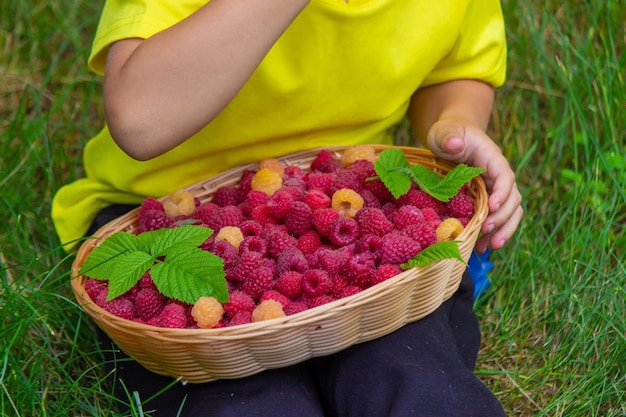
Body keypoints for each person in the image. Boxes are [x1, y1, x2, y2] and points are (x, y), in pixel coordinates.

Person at [53, 0, 523, 415]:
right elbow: (139, 120)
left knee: (413, 375)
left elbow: (455, 67)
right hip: (173, 220)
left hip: (346, 209)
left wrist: (454, 122)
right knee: (247, 401)